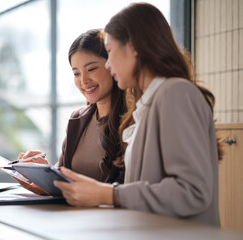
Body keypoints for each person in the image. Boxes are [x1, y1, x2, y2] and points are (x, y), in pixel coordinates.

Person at [54, 3, 223, 227]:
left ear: (132, 46)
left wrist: (108, 194)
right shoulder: (149, 104)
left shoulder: (175, 93)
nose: (109, 62)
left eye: (110, 51)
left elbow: (192, 191)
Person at [15, 29, 127, 195]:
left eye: (91, 69)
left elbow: (125, 190)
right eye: (76, 73)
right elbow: (65, 179)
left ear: (112, 65)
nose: (83, 81)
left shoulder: (131, 120)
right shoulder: (78, 119)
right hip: (72, 217)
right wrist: (44, 173)